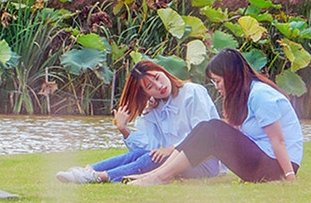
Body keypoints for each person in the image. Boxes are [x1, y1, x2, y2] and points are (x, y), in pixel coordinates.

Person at [128, 48, 302, 185]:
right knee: (205, 127)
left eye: (217, 81)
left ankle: (161, 176)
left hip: (276, 166)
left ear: (231, 77)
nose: (217, 87)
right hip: (262, 161)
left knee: (213, 128)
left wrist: (289, 175)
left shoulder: (260, 95)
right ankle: (156, 174)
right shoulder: (246, 95)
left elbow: (278, 140)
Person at [56, 60, 221, 183]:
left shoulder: (192, 92)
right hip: (173, 160)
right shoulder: (153, 108)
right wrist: (124, 129)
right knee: (140, 155)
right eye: (150, 87)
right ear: (145, 93)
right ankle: (88, 170)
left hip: (205, 161)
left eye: (158, 77)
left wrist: (171, 149)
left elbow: (204, 135)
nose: (159, 86)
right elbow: (148, 146)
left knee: (154, 159)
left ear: (163, 71)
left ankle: (101, 177)